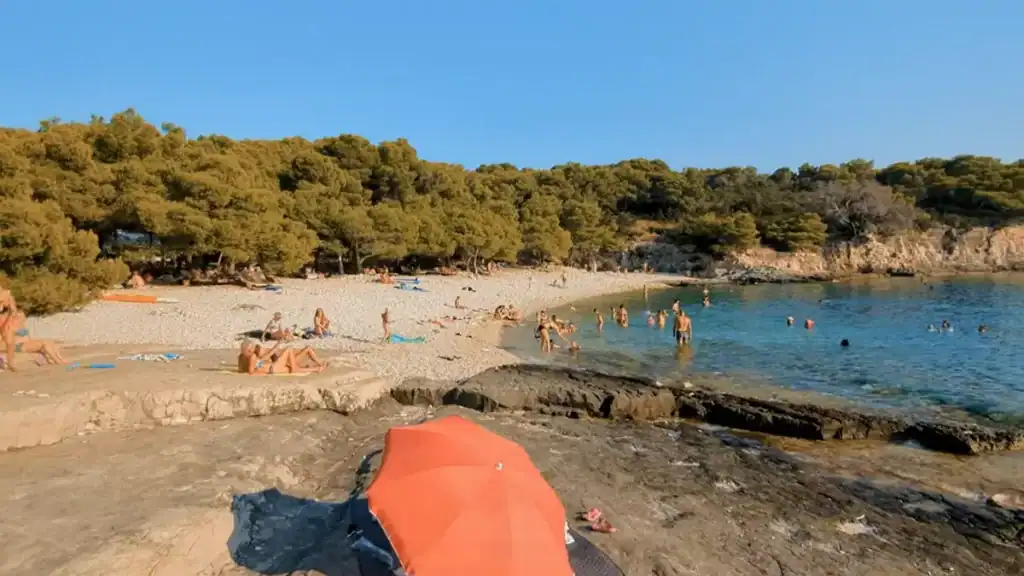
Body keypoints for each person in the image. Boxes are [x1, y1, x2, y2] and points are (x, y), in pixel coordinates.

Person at [238, 341, 326, 375]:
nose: (254, 350)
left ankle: (317, 366)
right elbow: (251, 371)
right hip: (273, 368)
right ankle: (316, 367)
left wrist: (261, 365)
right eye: (252, 349)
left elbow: (246, 368)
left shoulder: (241, 357)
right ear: (249, 350)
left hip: (272, 367)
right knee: (289, 348)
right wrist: (264, 371)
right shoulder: (252, 357)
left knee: (307, 349)